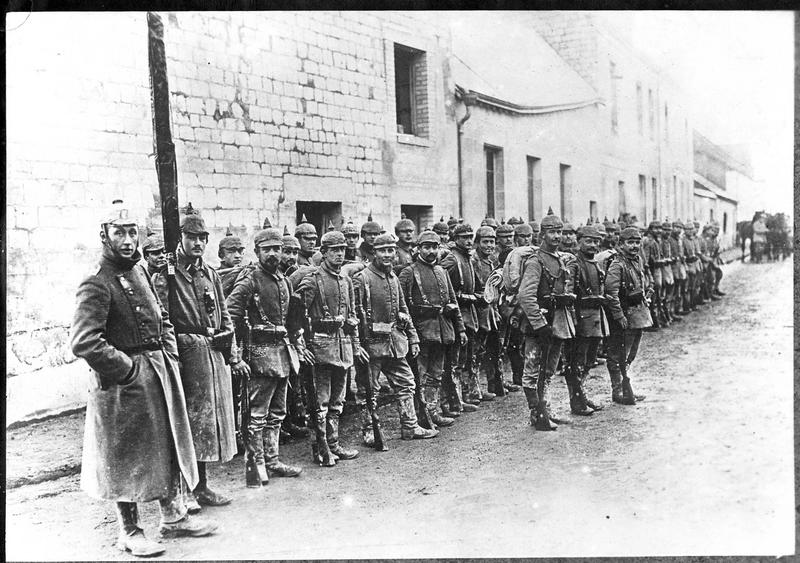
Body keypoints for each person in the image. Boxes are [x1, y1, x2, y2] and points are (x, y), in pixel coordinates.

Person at [72, 200, 216, 557]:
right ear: (104, 235)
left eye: (132, 231)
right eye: (119, 232)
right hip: (122, 386)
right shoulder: (97, 281)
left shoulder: (139, 271)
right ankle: (129, 530)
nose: (127, 240)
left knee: (166, 443)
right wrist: (128, 369)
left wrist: (166, 354)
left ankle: (174, 516)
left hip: (157, 372)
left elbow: (162, 316)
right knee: (124, 456)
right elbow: (85, 340)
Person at [153, 206, 236, 509]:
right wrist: (172, 355)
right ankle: (184, 493)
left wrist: (231, 348)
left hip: (212, 352)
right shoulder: (168, 272)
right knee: (185, 422)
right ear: (181, 238)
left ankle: (202, 487)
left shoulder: (209, 273)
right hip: (185, 354)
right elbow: (162, 317)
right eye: (192, 237)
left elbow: (224, 313)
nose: (198, 243)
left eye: (202, 238)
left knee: (208, 423)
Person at [225, 227, 305, 486]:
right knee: (257, 414)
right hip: (258, 352)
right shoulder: (250, 279)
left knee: (277, 412)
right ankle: (256, 462)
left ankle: (272, 460)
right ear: (257, 251)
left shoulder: (282, 279)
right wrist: (236, 355)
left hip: (281, 353)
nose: (273, 254)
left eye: (277, 249)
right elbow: (229, 315)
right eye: (267, 249)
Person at [352, 233, 439, 440]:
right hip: (371, 346)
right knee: (368, 390)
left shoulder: (393, 278)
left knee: (406, 383)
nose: (388, 255)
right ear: (374, 253)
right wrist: (357, 345)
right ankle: (370, 431)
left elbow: (403, 310)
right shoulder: (362, 279)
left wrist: (413, 337)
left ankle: (410, 426)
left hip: (394, 343)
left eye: (391, 250)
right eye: (383, 250)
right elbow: (353, 315)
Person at [295, 230, 368, 462]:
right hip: (320, 347)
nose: (339, 254)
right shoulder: (313, 279)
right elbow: (297, 315)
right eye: (334, 250)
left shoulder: (346, 280)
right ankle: (320, 447)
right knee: (320, 401)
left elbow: (352, 316)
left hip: (343, 345)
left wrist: (356, 346)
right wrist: (301, 346)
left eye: (342, 250)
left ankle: (334, 444)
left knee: (338, 401)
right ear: (323, 252)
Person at [399, 230, 466, 428]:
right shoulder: (409, 272)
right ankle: (420, 416)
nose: (431, 251)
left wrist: (460, 329)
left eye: (435, 247)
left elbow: (453, 303)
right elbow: (402, 306)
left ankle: (433, 411)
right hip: (421, 332)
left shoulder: (441, 271)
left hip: (443, 331)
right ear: (418, 249)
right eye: (427, 247)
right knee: (419, 375)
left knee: (436, 374)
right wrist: (410, 335)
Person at [517, 212, 575, 431]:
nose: (557, 236)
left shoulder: (558, 258)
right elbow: (525, 296)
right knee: (532, 371)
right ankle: (537, 414)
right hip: (539, 326)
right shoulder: (535, 261)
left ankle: (546, 409)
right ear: (542, 234)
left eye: (559, 231)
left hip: (556, 322)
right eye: (552, 232)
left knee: (548, 370)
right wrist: (539, 324)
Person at [604, 227, 651, 405]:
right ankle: (618, 391)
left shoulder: (636, 260)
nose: (634, 246)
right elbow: (611, 293)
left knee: (630, 354)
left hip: (637, 313)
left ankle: (626, 386)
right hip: (624, 315)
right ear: (621, 244)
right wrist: (618, 315)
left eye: (637, 242)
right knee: (617, 355)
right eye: (630, 243)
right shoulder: (618, 264)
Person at [563, 225, 607, 415]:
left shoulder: (595, 262)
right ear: (579, 241)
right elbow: (569, 292)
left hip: (596, 316)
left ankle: (582, 394)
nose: (593, 245)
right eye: (588, 241)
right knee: (577, 361)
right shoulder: (575, 263)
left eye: (596, 241)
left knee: (590, 359)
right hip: (581, 318)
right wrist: (573, 320)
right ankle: (577, 401)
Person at [440, 224, 482, 410]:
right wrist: (465, 297)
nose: (468, 240)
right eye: (464, 237)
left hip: (469, 315)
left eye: (470, 236)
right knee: (454, 361)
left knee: (465, 358)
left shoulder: (467, 258)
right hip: (457, 316)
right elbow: (442, 288)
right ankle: (453, 401)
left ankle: (462, 396)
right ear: (455, 238)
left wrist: (478, 295)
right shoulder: (451, 259)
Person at [471, 225, 504, 399]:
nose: (489, 246)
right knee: (476, 351)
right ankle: (473, 389)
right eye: (485, 242)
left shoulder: (491, 260)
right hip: (477, 311)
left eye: (492, 242)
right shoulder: (473, 260)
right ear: (477, 242)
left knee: (493, 349)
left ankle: (494, 383)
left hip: (491, 310)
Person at [217, 228, 246, 296]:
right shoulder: (214, 275)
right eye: (231, 251)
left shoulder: (246, 273)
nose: (237, 256)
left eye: (240, 251)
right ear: (221, 254)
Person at [669, 220, 688, 316]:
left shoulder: (680, 240)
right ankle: (671, 311)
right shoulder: (669, 239)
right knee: (673, 290)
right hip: (672, 268)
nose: (678, 229)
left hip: (680, 266)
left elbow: (682, 252)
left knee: (679, 289)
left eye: (680, 228)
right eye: (676, 227)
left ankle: (678, 308)